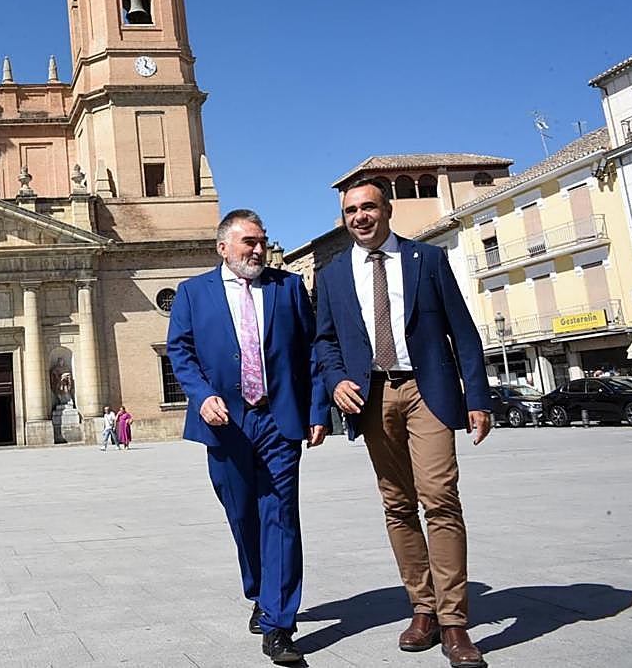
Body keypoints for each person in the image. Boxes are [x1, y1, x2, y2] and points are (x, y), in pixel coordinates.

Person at [313, 178, 490, 668]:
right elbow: (323, 341)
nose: (360, 217)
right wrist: (334, 381)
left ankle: (454, 623)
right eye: (351, 211)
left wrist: (477, 397)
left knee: (439, 498)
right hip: (370, 396)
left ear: (386, 210)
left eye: (368, 207)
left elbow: (463, 331)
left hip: (426, 389)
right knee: (397, 503)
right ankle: (423, 609)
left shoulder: (426, 260)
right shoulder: (331, 275)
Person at [167, 209, 330, 665]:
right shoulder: (192, 293)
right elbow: (179, 351)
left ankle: (280, 622)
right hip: (225, 424)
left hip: (278, 421)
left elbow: (311, 351)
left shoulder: (288, 287)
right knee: (242, 515)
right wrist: (200, 395)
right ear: (223, 247)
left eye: (261, 241)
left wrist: (317, 409)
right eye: (248, 242)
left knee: (280, 516)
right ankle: (261, 592)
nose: (258, 249)